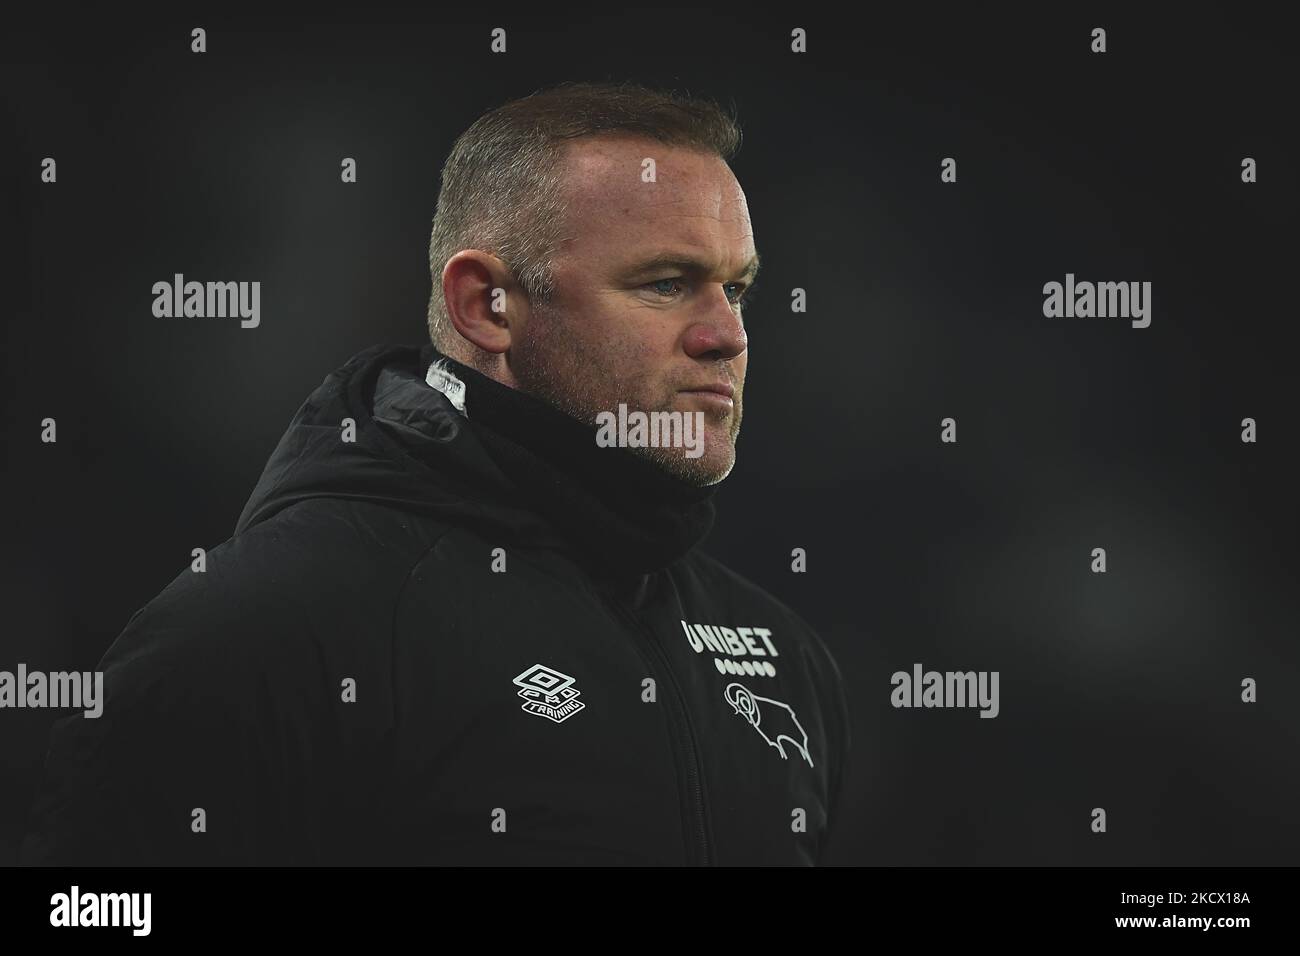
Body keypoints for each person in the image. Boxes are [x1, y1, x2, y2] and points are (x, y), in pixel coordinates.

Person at [21, 80, 850, 866]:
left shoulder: (782, 655)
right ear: (484, 305)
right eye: (666, 284)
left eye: (736, 289)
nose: (726, 336)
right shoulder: (266, 631)